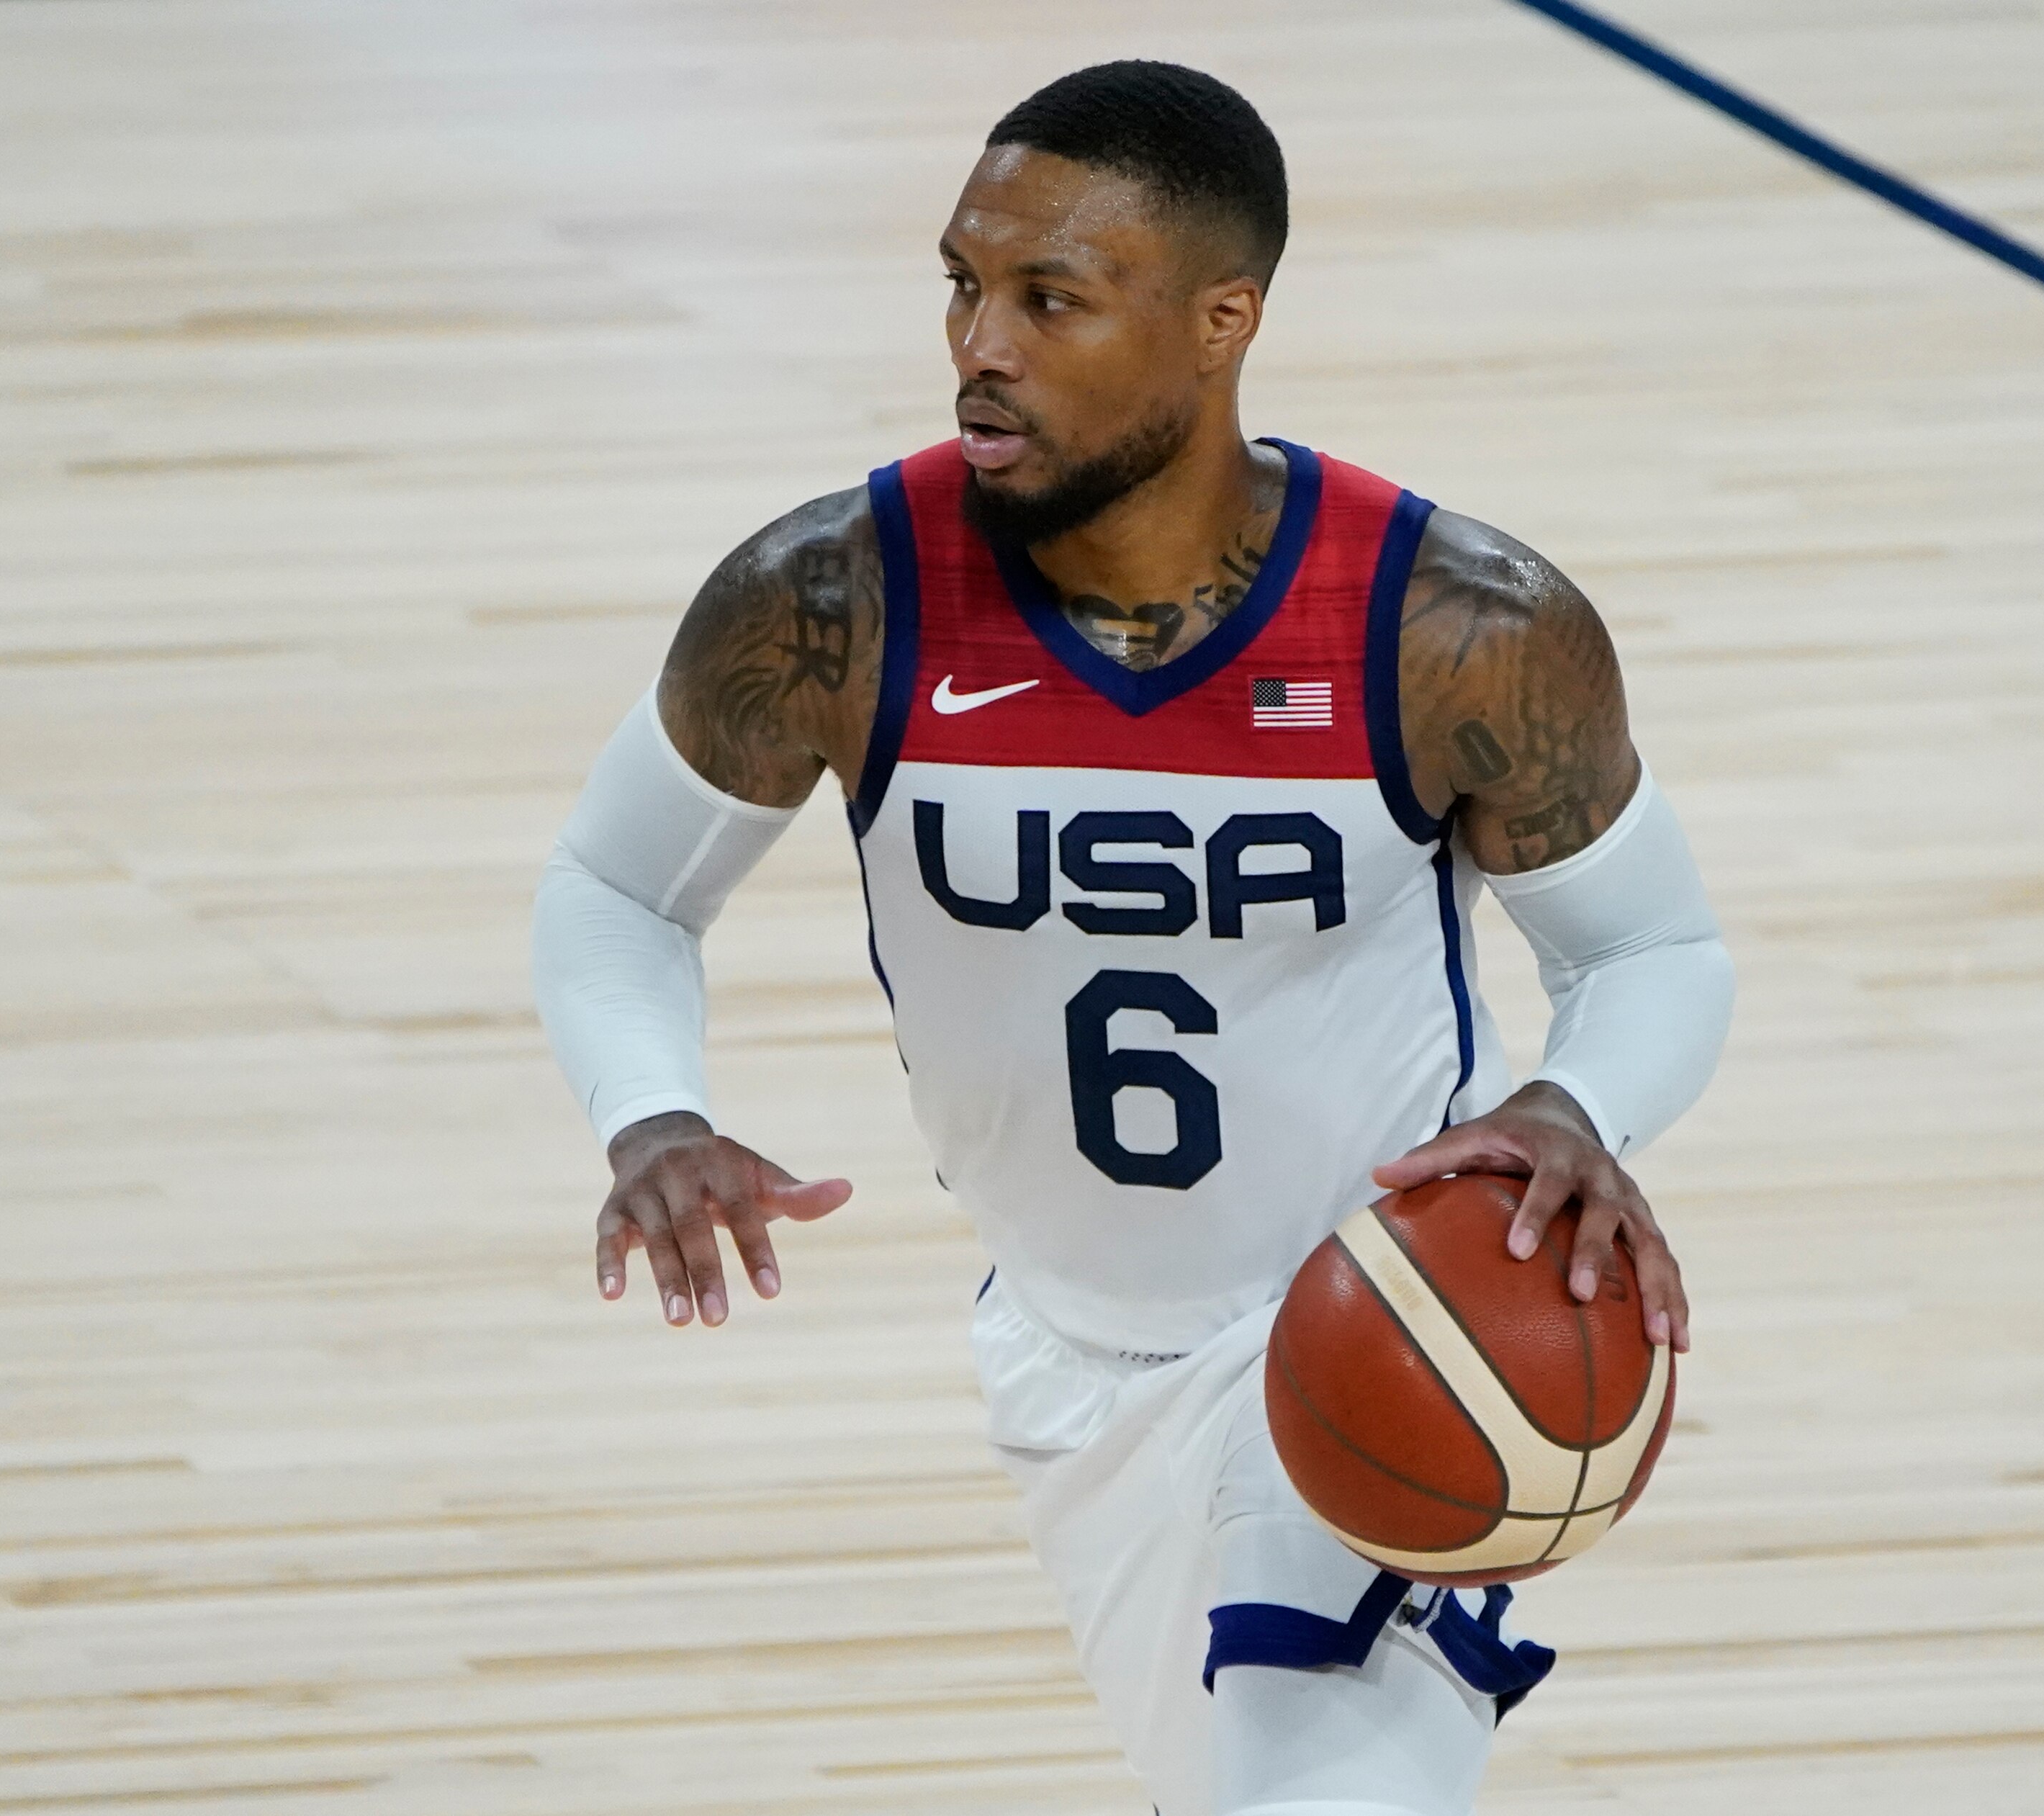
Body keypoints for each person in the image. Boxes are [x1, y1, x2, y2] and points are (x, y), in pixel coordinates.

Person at [533, 59, 1733, 1816]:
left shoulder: (1458, 626)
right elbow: (618, 890)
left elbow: (1656, 952)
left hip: (1372, 1317)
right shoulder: (832, 600)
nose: (978, 345)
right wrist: (650, 1112)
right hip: (1060, 1347)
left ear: (1218, 319)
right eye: (962, 283)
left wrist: (1574, 1113)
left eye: (1049, 299)